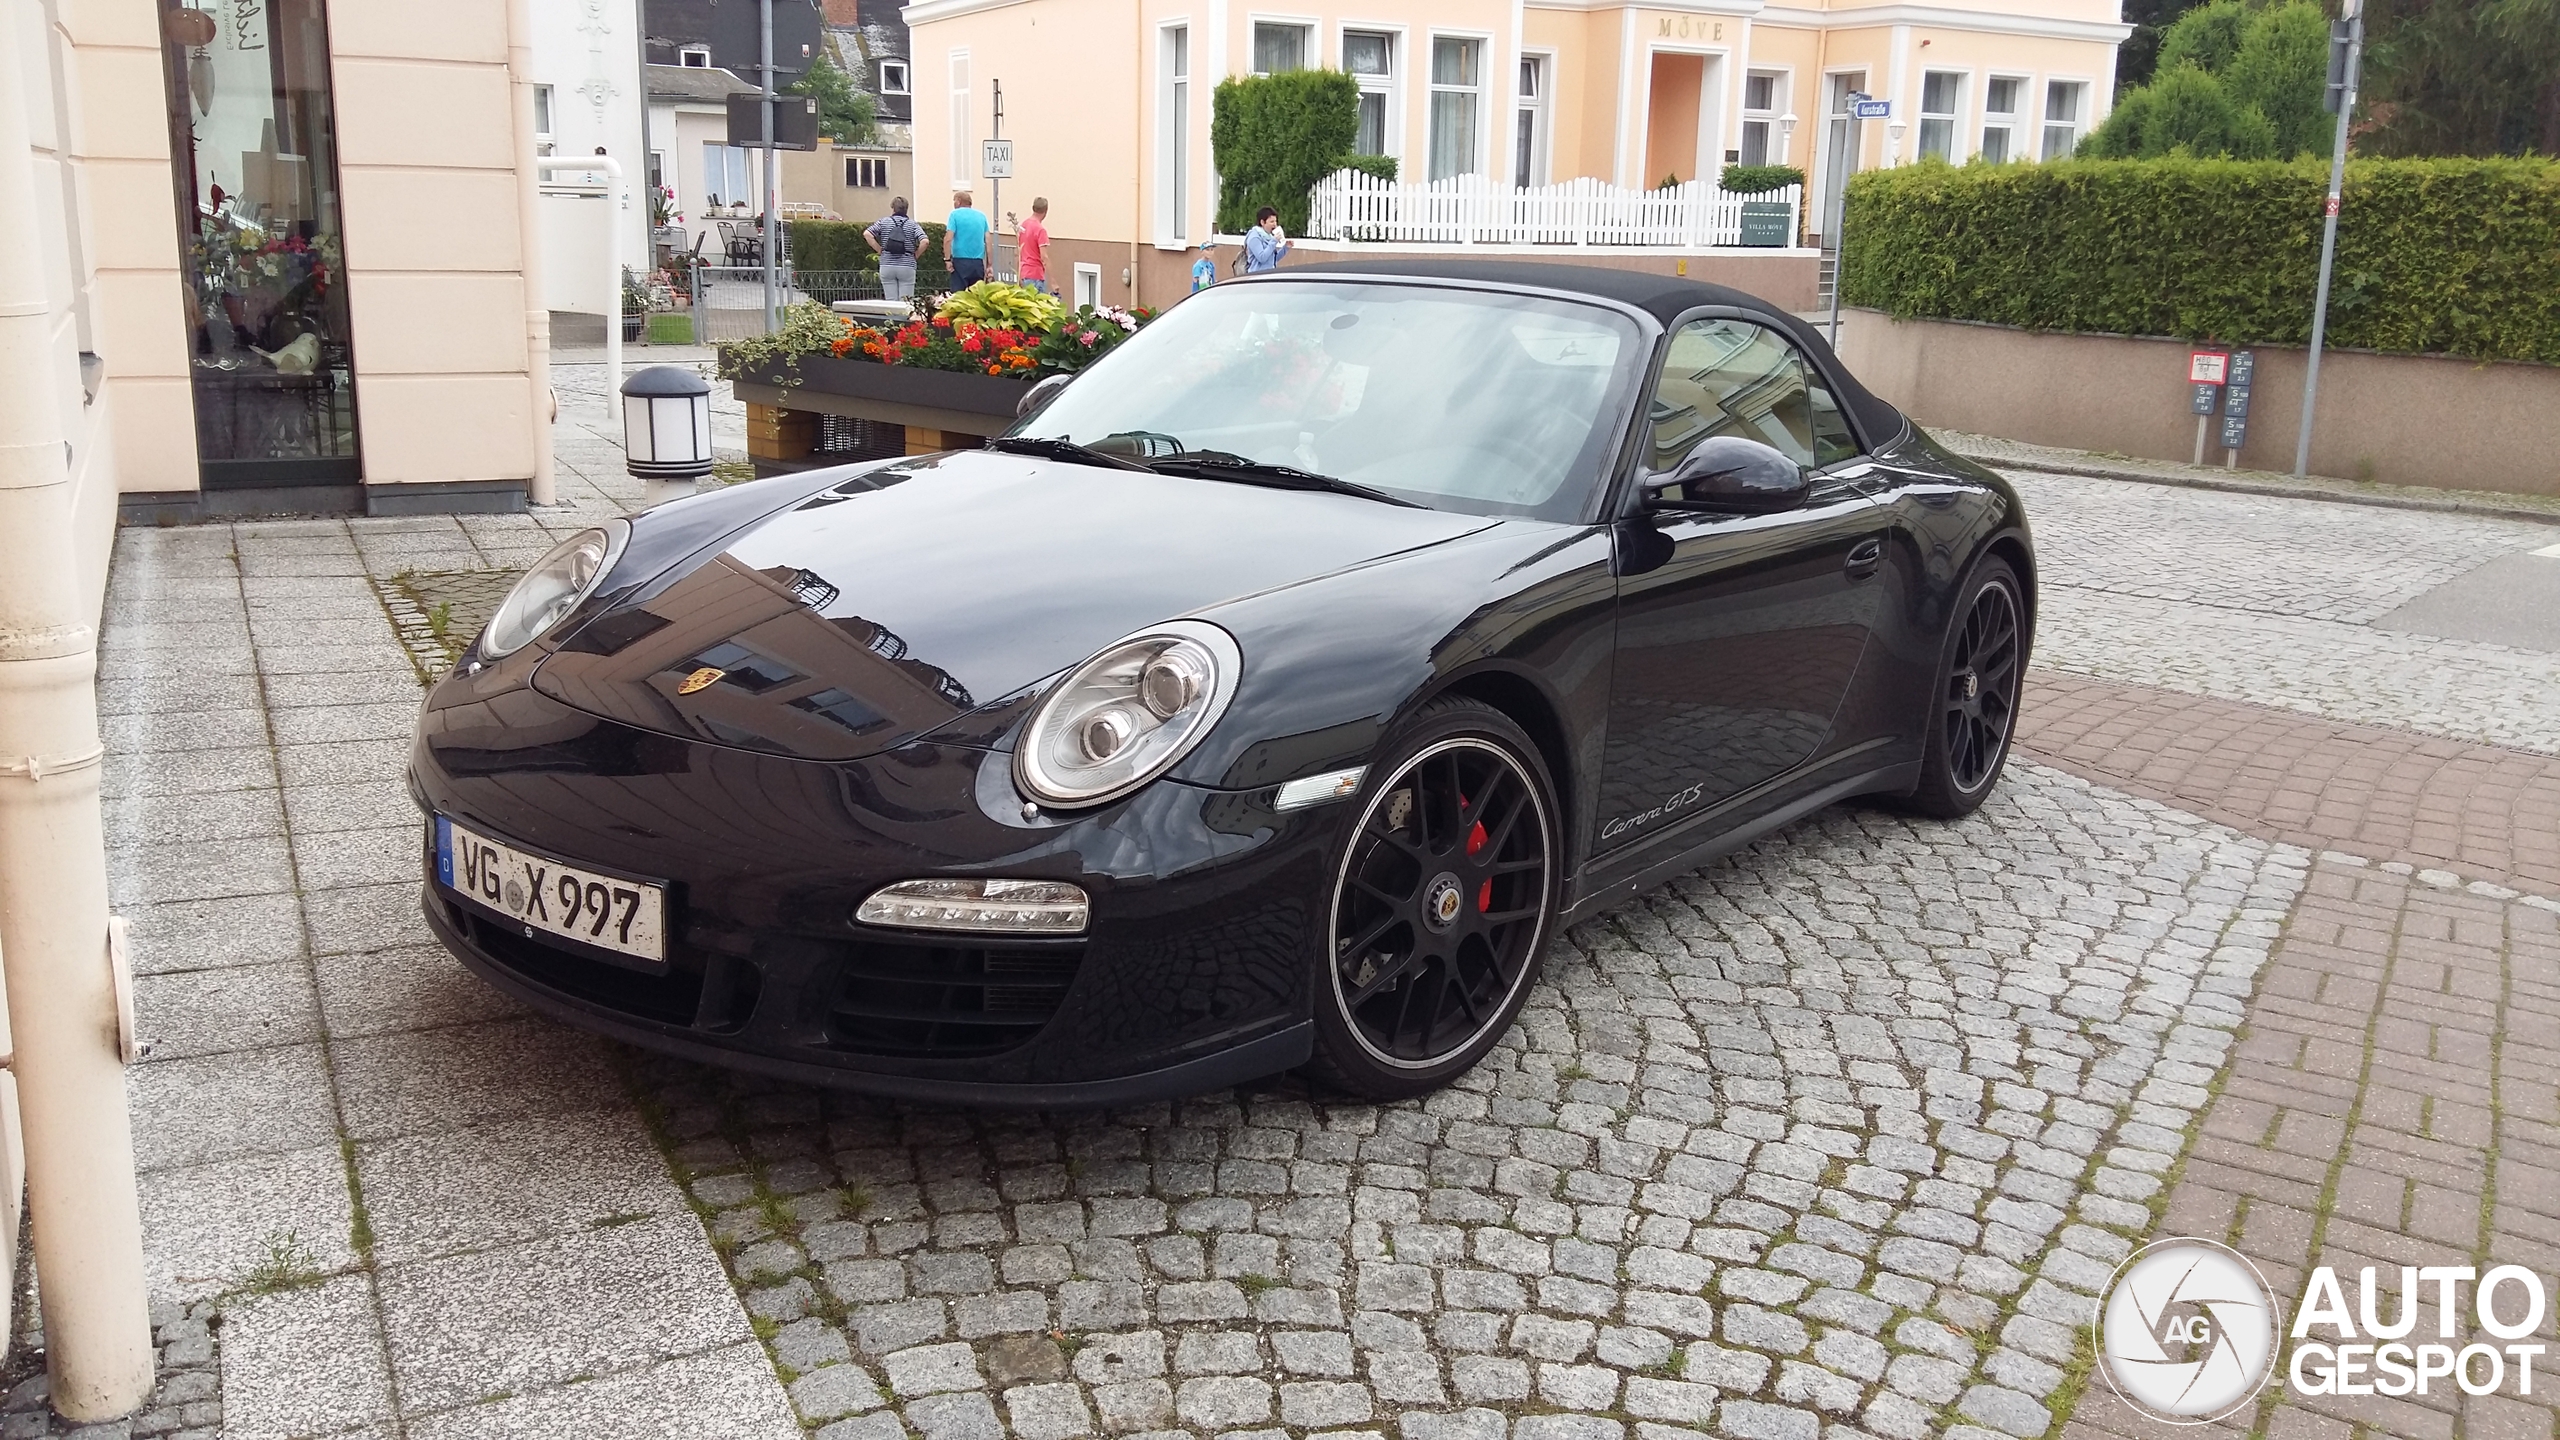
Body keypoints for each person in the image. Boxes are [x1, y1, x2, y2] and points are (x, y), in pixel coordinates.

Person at [865, 197, 925, 300]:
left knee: (891, 301)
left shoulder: (883, 222)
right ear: (906, 209)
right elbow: (925, 241)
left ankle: (892, 316)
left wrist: (879, 250)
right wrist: (916, 255)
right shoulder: (912, 224)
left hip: (887, 264)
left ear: (893, 208)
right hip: (907, 265)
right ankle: (904, 316)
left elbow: (867, 234)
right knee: (906, 301)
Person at [941, 190, 992, 288]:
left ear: (959, 201)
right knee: (976, 295)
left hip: (960, 261)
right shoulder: (981, 216)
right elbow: (988, 240)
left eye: (954, 201)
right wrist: (989, 265)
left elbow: (948, 239)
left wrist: (947, 259)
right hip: (978, 262)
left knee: (959, 296)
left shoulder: (954, 215)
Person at [1008, 198, 1052, 295]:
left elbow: (1018, 252)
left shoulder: (1023, 226)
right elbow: (1044, 257)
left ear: (1033, 208)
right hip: (1036, 275)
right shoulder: (1040, 230)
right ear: (1046, 211)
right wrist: (1053, 281)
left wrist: (1019, 274)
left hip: (1024, 273)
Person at [1242, 206, 1292, 273]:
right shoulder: (1254, 237)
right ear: (1262, 222)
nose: (1275, 224)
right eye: (1271, 222)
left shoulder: (1269, 236)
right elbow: (1262, 258)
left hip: (1269, 274)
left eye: (1275, 221)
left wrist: (1285, 248)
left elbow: (1273, 259)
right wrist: (1274, 241)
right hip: (1257, 276)